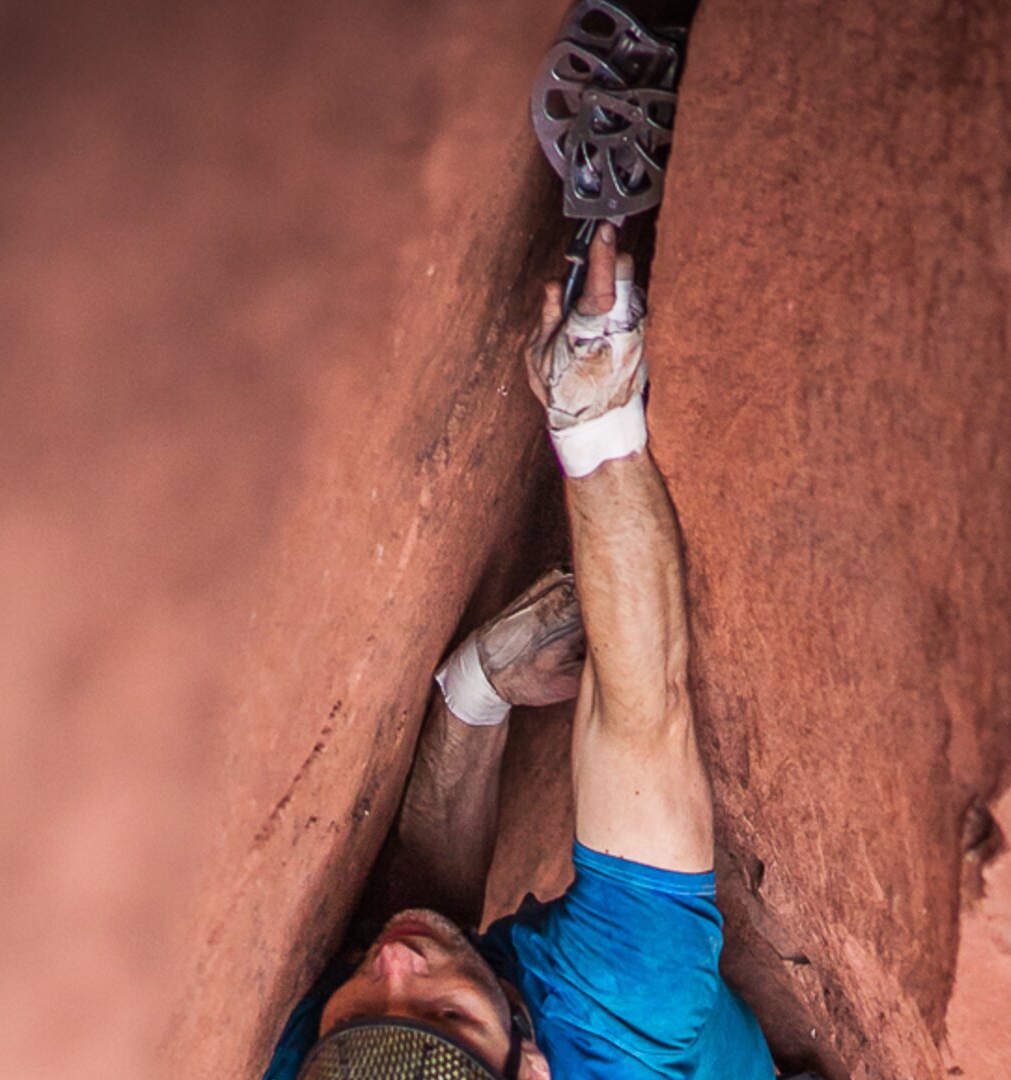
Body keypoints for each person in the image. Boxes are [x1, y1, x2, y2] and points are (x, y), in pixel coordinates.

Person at [266, 225, 778, 1080]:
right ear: (532, 1066)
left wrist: (474, 692)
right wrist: (593, 415)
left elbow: (417, 921)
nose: (390, 971)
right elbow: (642, 721)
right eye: (441, 1013)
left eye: (360, 1009)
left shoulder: (326, 1063)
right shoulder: (625, 1012)